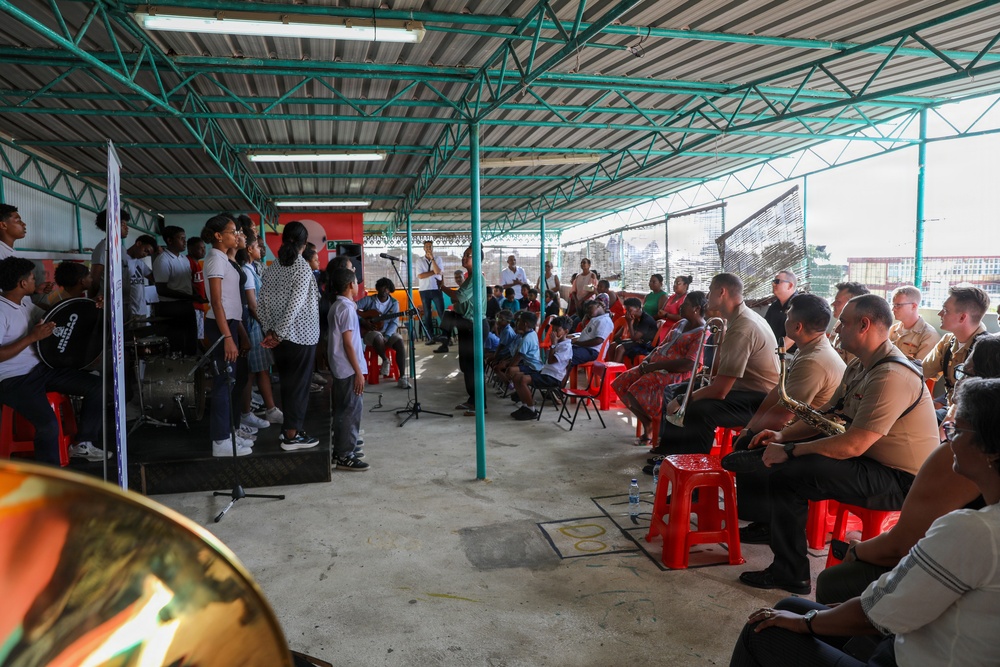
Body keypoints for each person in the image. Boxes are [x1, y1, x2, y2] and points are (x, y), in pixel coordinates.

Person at [729, 377, 1000, 667]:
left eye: (957, 429)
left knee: (760, 632)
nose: (949, 437)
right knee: (788, 607)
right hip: (915, 637)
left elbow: (882, 611)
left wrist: (806, 623)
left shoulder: (974, 530)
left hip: (906, 654)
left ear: (992, 448)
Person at [735, 294, 938, 595]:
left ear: (864, 325)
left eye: (843, 323)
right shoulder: (861, 366)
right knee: (789, 464)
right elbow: (825, 416)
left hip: (902, 481)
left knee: (790, 474)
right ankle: (782, 553)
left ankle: (789, 573)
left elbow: (853, 445)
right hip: (873, 462)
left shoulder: (890, 375)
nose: (836, 329)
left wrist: (789, 451)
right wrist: (782, 436)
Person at [814, 334, 1000, 604]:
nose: (958, 381)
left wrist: (857, 551)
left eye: (964, 373)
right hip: (961, 565)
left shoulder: (960, 455)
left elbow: (902, 545)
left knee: (833, 581)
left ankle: (859, 645)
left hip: (953, 577)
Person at [721, 294, 847, 538]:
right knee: (750, 436)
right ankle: (758, 515)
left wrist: (752, 434)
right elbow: (777, 394)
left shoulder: (814, 360)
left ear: (797, 326)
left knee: (756, 445)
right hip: (802, 423)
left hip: (816, 432)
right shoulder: (808, 347)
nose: (785, 319)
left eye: (788, 316)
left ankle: (767, 524)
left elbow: (782, 414)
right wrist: (749, 427)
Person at [645, 273, 779, 472]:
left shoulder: (743, 326)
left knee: (699, 410)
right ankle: (671, 456)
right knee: (679, 390)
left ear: (722, 292)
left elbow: (720, 391)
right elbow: (717, 371)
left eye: (710, 290)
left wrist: (684, 400)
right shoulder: (734, 320)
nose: (707, 296)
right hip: (742, 389)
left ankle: (695, 474)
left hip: (759, 399)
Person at [0, 257, 107, 463]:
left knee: (97, 386)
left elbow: (55, 316)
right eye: (32, 277)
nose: (35, 281)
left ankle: (84, 443)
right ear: (22, 283)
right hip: (13, 380)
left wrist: (90, 307)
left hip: (40, 370)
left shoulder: (24, 301)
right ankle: (49, 480)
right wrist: (31, 337)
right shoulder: (2, 311)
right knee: (48, 426)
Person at [611, 291, 708, 445]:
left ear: (696, 308)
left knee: (634, 390)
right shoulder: (680, 323)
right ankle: (648, 422)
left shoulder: (703, 333)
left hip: (676, 375)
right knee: (620, 383)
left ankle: (654, 427)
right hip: (655, 366)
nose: (681, 307)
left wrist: (655, 366)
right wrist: (648, 360)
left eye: (685, 304)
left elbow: (689, 364)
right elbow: (661, 346)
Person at [259, 221, 321, 450]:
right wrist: (279, 333)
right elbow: (294, 306)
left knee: (288, 384)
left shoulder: (273, 267)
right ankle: (292, 436)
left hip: (280, 339)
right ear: (304, 245)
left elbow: (261, 302)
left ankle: (290, 428)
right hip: (300, 337)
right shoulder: (301, 267)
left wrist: (271, 332)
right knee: (299, 386)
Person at [200, 216, 254, 457]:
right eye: (232, 231)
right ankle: (219, 441)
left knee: (229, 382)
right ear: (218, 236)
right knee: (223, 384)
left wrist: (236, 332)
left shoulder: (224, 258)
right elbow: (217, 302)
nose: (236, 235)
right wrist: (228, 337)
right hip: (221, 327)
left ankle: (227, 434)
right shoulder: (213, 259)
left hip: (229, 324)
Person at [326, 267, 370, 471]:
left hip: (341, 367)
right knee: (351, 410)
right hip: (349, 368)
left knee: (345, 409)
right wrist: (359, 372)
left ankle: (343, 449)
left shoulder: (338, 306)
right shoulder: (346, 309)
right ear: (351, 285)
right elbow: (349, 344)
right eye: (355, 281)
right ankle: (345, 454)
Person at [922, 285, 990, 416]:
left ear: (962, 318)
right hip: (949, 409)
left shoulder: (986, 350)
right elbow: (921, 373)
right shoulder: (948, 341)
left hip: (973, 419)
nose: (940, 314)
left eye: (945, 310)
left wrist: (942, 433)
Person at [440, 246, 487, 416]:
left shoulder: (476, 278)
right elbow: (462, 303)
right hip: (467, 325)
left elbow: (458, 297)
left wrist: (443, 288)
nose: (464, 258)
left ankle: (481, 405)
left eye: (468, 255)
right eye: (464, 255)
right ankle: (472, 400)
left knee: (475, 367)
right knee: (467, 366)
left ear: (477, 259)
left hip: (475, 326)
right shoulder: (470, 278)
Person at [242, 236, 282, 425]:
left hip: (258, 325)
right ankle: (252, 411)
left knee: (260, 370)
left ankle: (264, 409)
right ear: (249, 249)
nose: (261, 249)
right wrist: (267, 327)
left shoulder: (252, 269)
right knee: (256, 371)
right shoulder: (247, 271)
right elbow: (252, 305)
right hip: (254, 326)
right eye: (258, 246)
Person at [508, 315, 573, 420]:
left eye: (558, 330)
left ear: (565, 331)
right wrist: (554, 345)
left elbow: (551, 361)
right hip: (545, 373)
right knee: (516, 377)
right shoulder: (558, 343)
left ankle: (532, 410)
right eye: (553, 329)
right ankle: (525, 406)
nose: (554, 332)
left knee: (523, 380)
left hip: (553, 377)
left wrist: (553, 345)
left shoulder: (566, 347)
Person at [356, 277, 410, 389]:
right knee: (377, 336)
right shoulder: (369, 300)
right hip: (370, 332)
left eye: (387, 288)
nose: (385, 290)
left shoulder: (394, 303)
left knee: (399, 340)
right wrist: (363, 322)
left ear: (390, 290)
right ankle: (386, 360)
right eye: (382, 287)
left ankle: (402, 377)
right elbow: (352, 308)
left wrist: (388, 335)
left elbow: (394, 323)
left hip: (387, 332)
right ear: (378, 288)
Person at [152, 225, 198, 355]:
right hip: (171, 308)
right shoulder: (163, 260)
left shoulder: (184, 259)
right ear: (170, 241)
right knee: (176, 345)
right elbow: (161, 289)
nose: (185, 241)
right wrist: (189, 296)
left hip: (186, 306)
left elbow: (187, 282)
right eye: (181, 238)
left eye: (185, 238)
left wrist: (195, 294)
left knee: (190, 343)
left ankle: (191, 373)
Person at [888, 285, 939, 361]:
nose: (893, 309)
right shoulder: (893, 330)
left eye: (898, 305)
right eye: (893, 305)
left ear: (914, 306)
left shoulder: (928, 335)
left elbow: (921, 368)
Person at [88, 208, 130, 298]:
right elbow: (95, 280)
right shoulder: (103, 248)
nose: (127, 228)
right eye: (123, 224)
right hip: (106, 302)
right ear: (112, 225)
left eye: (126, 224)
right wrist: (91, 301)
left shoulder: (122, 249)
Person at [828, 281, 870, 363]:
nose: (833, 304)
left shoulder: (858, 335)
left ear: (852, 304)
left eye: (838, 301)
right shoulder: (839, 324)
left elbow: (853, 372)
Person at [608, 296, 658, 364]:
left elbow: (634, 337)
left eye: (629, 310)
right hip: (638, 341)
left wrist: (629, 322)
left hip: (647, 345)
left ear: (637, 308)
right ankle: (610, 367)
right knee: (613, 345)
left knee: (620, 348)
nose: (627, 312)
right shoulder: (637, 317)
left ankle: (615, 371)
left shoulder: (646, 320)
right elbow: (634, 336)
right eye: (626, 310)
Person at [415, 240, 445, 342]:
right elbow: (420, 276)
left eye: (430, 247)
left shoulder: (438, 259)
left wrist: (432, 259)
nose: (429, 249)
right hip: (424, 290)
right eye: (427, 247)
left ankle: (446, 336)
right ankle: (430, 337)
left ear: (433, 248)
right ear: (424, 248)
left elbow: (439, 271)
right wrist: (434, 272)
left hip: (436, 289)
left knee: (441, 312)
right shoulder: (419, 261)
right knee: (427, 314)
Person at [569, 299, 613, 367]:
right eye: (586, 311)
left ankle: (556, 377)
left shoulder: (604, 321)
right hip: (585, 349)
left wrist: (578, 343)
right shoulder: (596, 319)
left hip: (592, 351)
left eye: (590, 308)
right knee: (563, 350)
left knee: (565, 355)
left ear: (598, 305)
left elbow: (598, 340)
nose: (588, 312)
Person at [764, 270, 798, 350]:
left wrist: (775, 353)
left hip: (791, 355)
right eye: (773, 282)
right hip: (773, 350)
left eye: (777, 281)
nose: (773, 284)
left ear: (790, 286)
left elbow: (792, 337)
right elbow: (764, 328)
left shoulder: (799, 305)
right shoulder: (775, 305)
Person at [124, 234, 156, 320]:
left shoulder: (140, 263)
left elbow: (154, 278)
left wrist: (159, 256)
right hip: (128, 311)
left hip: (141, 310)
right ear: (138, 243)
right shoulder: (122, 260)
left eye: (148, 254)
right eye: (146, 250)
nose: (145, 255)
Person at [186, 236, 208, 344]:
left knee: (199, 335)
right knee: (196, 337)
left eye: (204, 248)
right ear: (190, 249)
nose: (203, 250)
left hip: (199, 305)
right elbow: (187, 282)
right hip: (193, 305)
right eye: (200, 248)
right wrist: (197, 296)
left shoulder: (197, 263)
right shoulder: (188, 262)